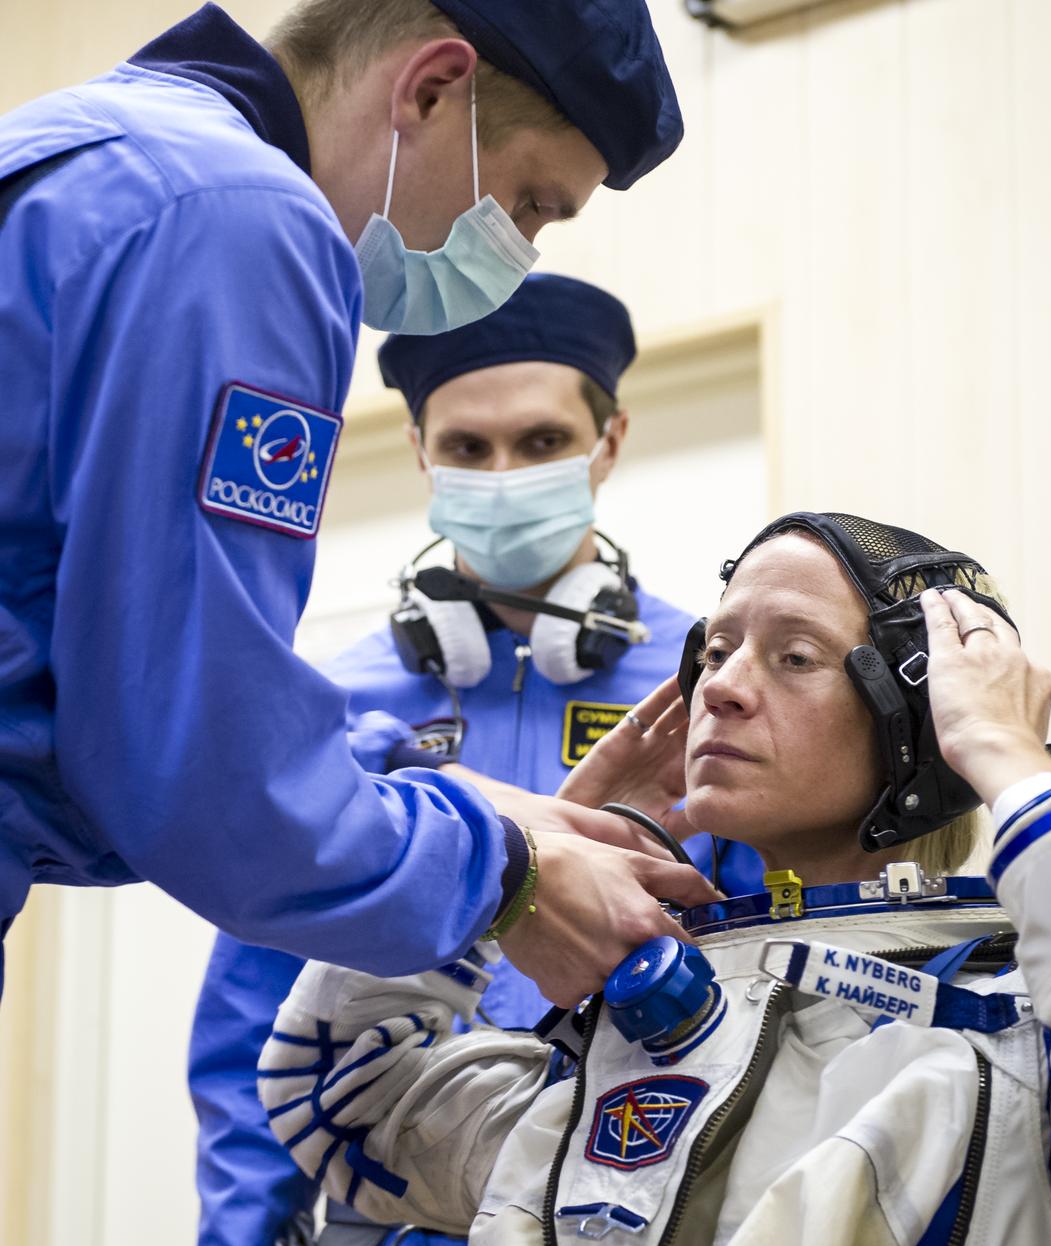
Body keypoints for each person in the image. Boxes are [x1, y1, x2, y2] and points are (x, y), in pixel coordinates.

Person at [262, 511, 1051, 1246]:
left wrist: (1009, 757)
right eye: (719, 648)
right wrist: (527, 848)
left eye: (791, 655)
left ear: (918, 723)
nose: (721, 686)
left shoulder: (1046, 1047)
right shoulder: (634, 1043)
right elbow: (336, 1093)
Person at [0, 0, 716, 1017]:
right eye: (528, 204)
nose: (519, 251)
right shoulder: (243, 223)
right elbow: (204, 774)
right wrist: (505, 874)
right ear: (430, 88)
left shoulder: (85, 150)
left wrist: (445, 792)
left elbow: (87, 684)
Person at [188, 273, 763, 1246]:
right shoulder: (332, 705)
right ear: (419, 453)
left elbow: (773, 975)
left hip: (635, 1216)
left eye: (540, 442)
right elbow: (251, 1016)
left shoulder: (706, 685)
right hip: (389, 1230)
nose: (502, 473)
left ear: (608, 442)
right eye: (466, 447)